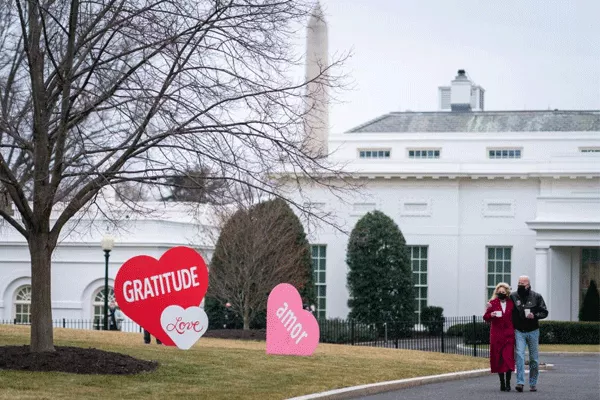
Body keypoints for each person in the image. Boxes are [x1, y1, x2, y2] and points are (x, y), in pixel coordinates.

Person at [510, 275, 548, 392]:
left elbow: (544, 312)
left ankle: (533, 383)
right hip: (519, 331)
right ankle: (520, 383)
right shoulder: (513, 296)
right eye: (519, 282)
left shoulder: (537, 296)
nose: (520, 285)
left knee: (534, 359)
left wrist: (535, 315)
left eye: (523, 283)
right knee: (520, 356)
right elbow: (508, 311)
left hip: (533, 331)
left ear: (528, 284)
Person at [483, 282, 515, 392]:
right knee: (499, 359)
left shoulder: (511, 303)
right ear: (496, 292)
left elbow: (516, 316)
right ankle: (502, 382)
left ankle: (508, 383)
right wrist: (490, 314)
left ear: (507, 293)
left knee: (508, 358)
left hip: (509, 335)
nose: (501, 293)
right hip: (496, 335)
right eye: (499, 292)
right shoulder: (492, 303)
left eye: (503, 292)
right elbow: (485, 317)